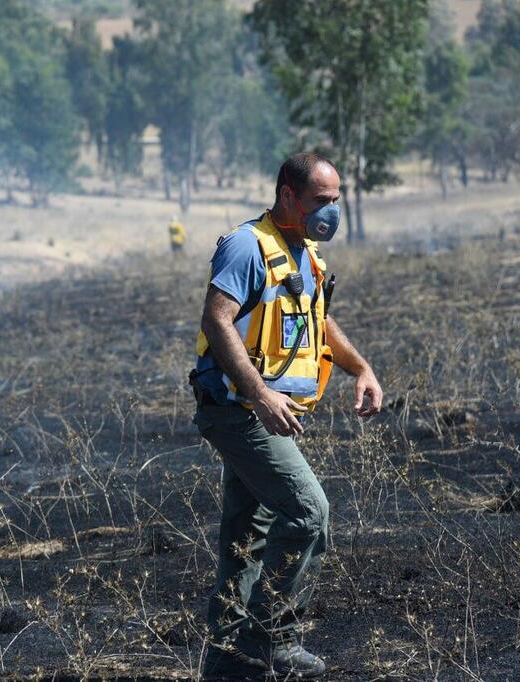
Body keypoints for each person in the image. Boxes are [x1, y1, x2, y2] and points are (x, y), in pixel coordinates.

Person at [191, 152, 383, 680]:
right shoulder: (246, 246)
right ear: (287, 197)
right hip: (238, 411)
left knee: (244, 539)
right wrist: (259, 395)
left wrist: (361, 368)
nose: (332, 211)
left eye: (336, 200)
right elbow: (217, 317)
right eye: (322, 201)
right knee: (308, 511)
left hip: (262, 412)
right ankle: (273, 636)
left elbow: (319, 320)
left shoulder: (307, 254)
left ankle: (227, 660)